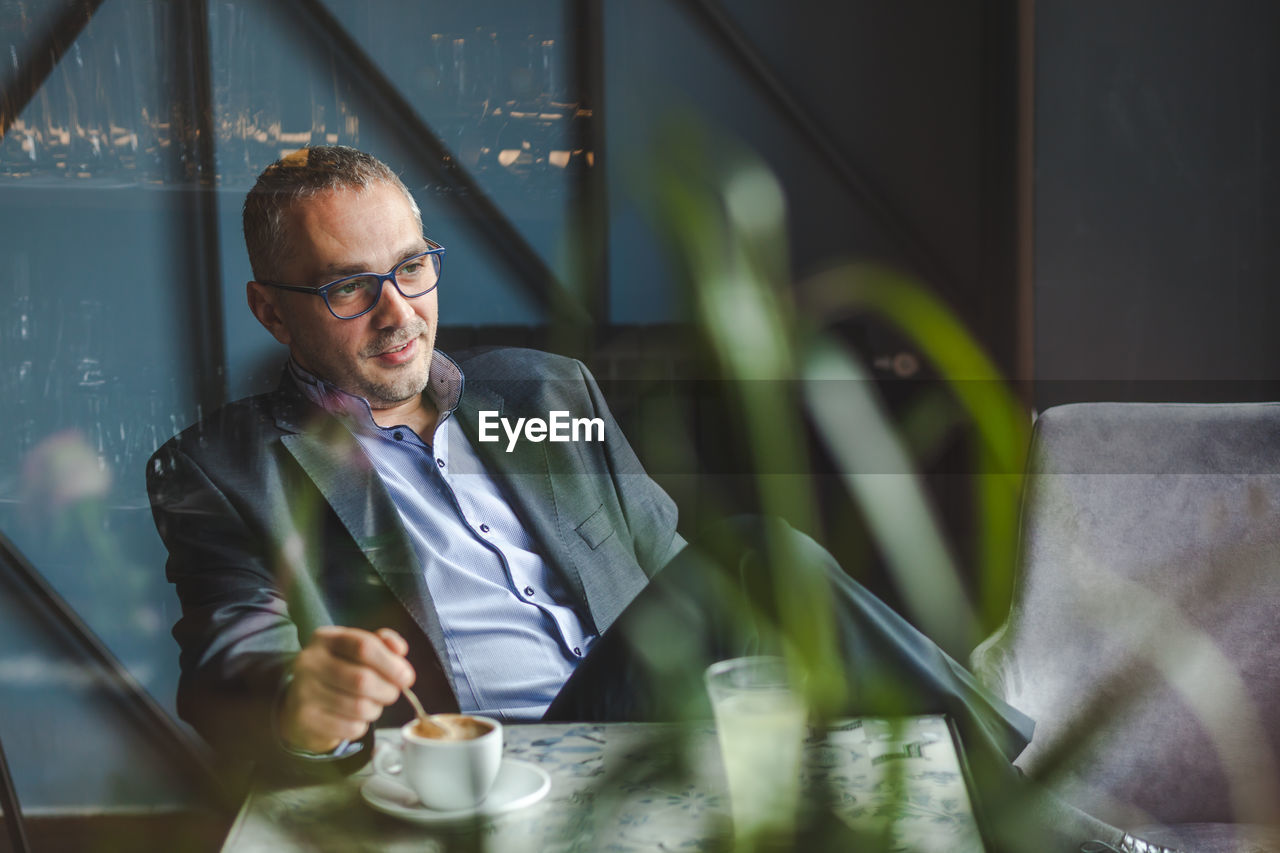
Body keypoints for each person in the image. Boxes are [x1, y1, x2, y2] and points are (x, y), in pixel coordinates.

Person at [147, 146, 1173, 853]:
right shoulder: (221, 468)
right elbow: (226, 667)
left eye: (412, 267)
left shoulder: (539, 394)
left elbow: (665, 574)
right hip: (471, 762)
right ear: (271, 312)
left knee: (753, 575)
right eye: (347, 286)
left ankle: (1011, 816)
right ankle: (1039, 824)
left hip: (638, 730)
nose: (398, 312)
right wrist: (299, 700)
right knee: (759, 552)